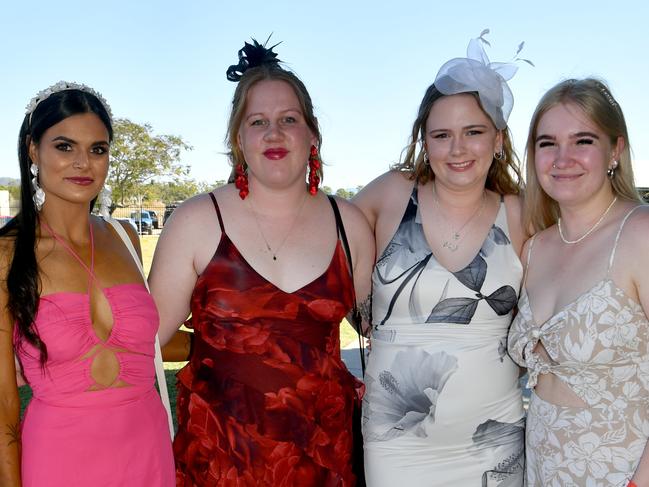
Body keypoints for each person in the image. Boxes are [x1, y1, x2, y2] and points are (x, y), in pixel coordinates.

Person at [149, 39, 374, 486]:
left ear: (312, 134)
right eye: (258, 121)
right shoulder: (195, 222)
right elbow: (146, 346)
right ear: (238, 138)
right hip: (219, 464)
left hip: (324, 461)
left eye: (289, 120)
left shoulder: (348, 224)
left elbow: (381, 334)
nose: (274, 134)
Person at [353, 32, 528, 485]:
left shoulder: (523, 214)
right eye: (442, 135)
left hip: (497, 441)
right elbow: (322, 240)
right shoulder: (390, 195)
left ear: (499, 140)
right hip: (397, 447)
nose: (457, 149)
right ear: (424, 141)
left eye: (473, 132)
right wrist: (361, 308)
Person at [0, 82, 175, 486]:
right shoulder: (8, 255)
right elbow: (5, 404)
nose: (84, 163)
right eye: (65, 147)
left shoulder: (125, 237)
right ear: (32, 149)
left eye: (98, 149)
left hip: (147, 454)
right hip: (59, 460)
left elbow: (146, 342)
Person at [508, 78, 649, 486]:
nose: (562, 157)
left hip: (621, 471)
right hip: (543, 466)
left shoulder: (638, 234)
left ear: (615, 150)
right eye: (547, 142)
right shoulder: (534, 249)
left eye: (583, 140)